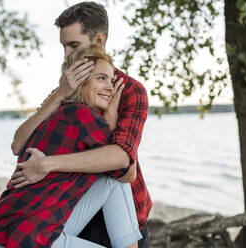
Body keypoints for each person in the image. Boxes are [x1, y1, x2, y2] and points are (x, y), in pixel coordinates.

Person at [10, 2, 152, 247]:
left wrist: (47, 164)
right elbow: (17, 145)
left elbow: (126, 169)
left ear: (98, 41)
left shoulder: (130, 91)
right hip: (71, 214)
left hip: (122, 216)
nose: (66, 54)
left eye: (73, 45)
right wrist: (58, 96)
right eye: (64, 46)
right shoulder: (65, 90)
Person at [0, 46, 142, 248]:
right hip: (31, 238)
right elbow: (127, 172)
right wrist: (111, 120)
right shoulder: (84, 117)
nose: (110, 86)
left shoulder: (56, 113)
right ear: (80, 80)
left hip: (11, 228)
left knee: (110, 182)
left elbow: (17, 144)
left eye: (111, 80)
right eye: (101, 78)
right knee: (117, 180)